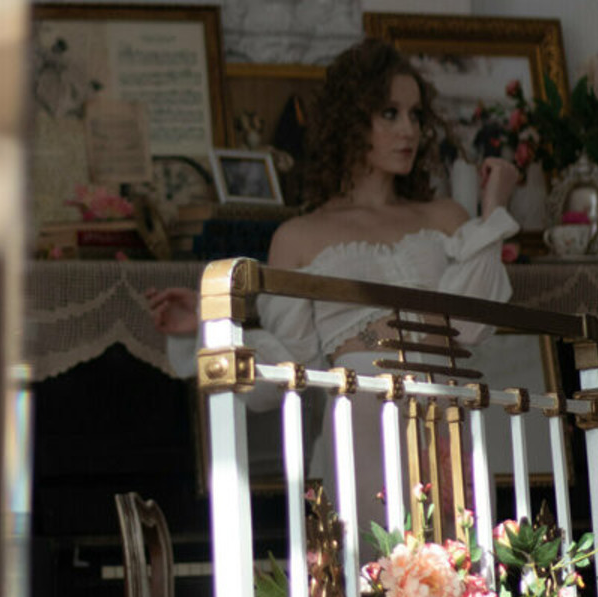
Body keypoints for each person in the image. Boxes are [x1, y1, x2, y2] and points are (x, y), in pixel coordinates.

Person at [146, 37, 520, 519]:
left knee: (458, 560)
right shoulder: (299, 236)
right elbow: (288, 364)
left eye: (415, 115)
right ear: (350, 121)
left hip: (444, 417)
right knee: (373, 562)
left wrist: (494, 208)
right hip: (361, 428)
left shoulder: (446, 216)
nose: (408, 129)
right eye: (389, 113)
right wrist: (209, 322)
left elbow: (470, 324)